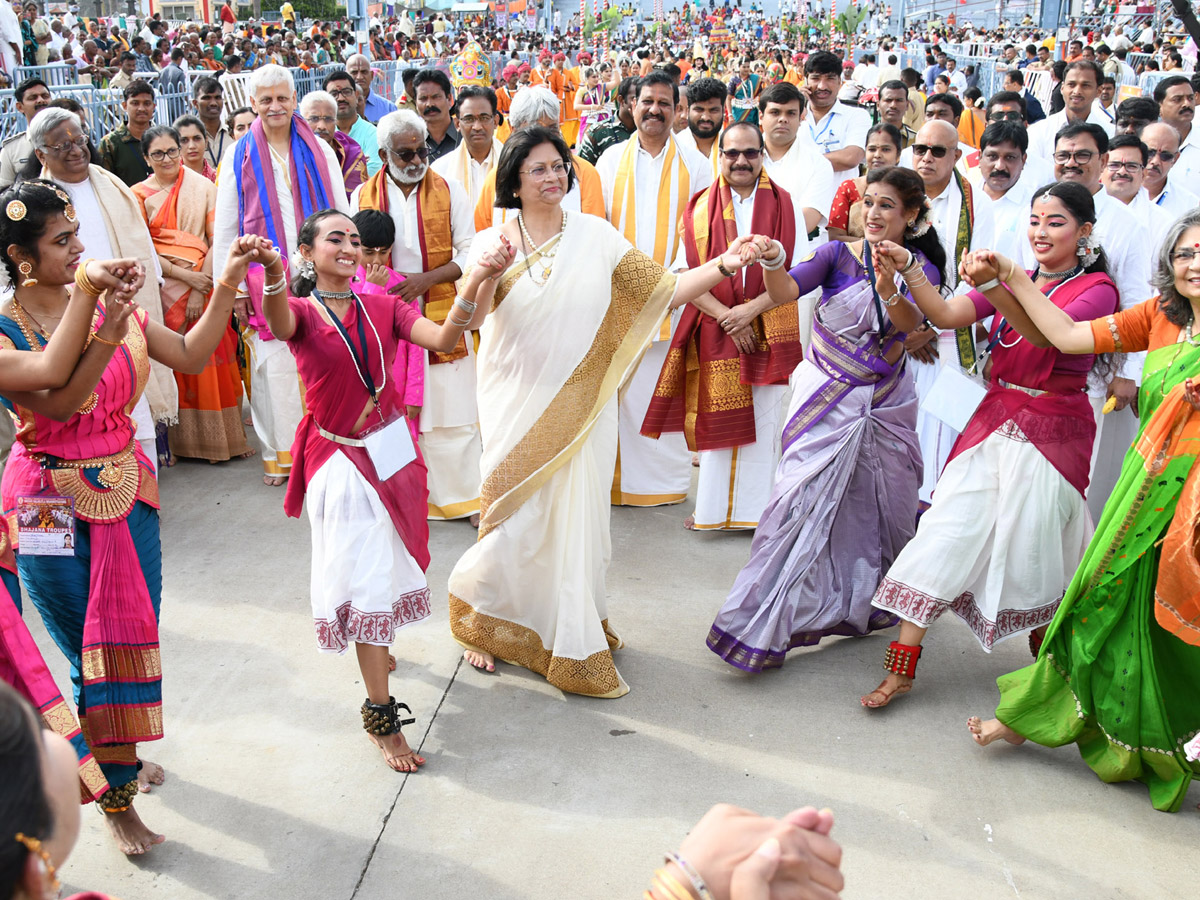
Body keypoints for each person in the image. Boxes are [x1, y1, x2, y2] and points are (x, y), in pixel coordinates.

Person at [450, 126, 768, 696]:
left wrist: (725, 262)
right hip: (513, 399)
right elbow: (468, 324)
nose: (553, 178)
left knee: (576, 521)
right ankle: (486, 617)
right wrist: (484, 271)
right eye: (538, 169)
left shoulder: (595, 235)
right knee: (514, 517)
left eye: (559, 166)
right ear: (514, 183)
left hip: (584, 402)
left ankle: (572, 632)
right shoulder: (490, 241)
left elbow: (663, 290)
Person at [0, 180, 250, 854]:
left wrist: (223, 283)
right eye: (63, 242)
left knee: (132, 641)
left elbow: (192, 357)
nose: (81, 249)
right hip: (47, 501)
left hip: (126, 491)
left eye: (79, 234)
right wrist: (101, 314)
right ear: (24, 260)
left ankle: (121, 758)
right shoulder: (3, 330)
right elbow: (56, 397)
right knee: (91, 656)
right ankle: (114, 797)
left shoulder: (112, 307)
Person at [966, 209, 1200, 814]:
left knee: (1183, 625)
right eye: (1184, 254)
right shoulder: (1160, 317)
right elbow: (1066, 337)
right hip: (1147, 493)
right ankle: (1035, 719)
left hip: (1193, 511)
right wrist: (1015, 276)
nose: (1194, 263)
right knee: (1100, 599)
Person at [863, 182, 1120, 708]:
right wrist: (908, 268)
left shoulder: (1097, 290)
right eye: (1035, 221)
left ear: (1084, 231)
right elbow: (948, 314)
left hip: (1054, 432)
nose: (1040, 231)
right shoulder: (1013, 277)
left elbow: (1048, 335)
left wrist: (1005, 280)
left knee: (1039, 552)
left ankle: (1048, 681)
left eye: (1055, 222)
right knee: (943, 530)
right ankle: (901, 668)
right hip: (996, 417)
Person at [261, 209, 491, 772]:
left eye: (355, 240)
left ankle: (379, 656)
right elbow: (276, 318)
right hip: (338, 463)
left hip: (390, 457)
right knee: (365, 582)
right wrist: (270, 273)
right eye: (334, 238)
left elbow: (441, 337)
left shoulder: (383, 303)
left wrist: (478, 278)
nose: (348, 246)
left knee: (383, 568)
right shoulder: (300, 311)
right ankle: (381, 719)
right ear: (308, 253)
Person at [707, 167, 943, 673]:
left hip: (884, 404)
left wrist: (890, 287)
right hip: (826, 400)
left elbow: (914, 327)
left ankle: (873, 602)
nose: (873, 214)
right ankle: (758, 622)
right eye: (868, 202)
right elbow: (787, 291)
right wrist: (773, 259)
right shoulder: (836, 254)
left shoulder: (920, 267)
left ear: (912, 216)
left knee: (886, 506)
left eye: (886, 206)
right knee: (796, 502)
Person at [641, 122, 804, 532]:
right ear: (720, 157)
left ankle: (755, 513)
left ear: (762, 155)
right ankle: (713, 511)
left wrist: (750, 314)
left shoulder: (786, 203)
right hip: (715, 322)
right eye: (732, 153)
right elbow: (685, 274)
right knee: (718, 419)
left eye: (750, 153)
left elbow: (798, 273)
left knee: (764, 421)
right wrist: (727, 317)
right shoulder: (698, 206)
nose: (741, 161)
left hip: (767, 322)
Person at [213, 64, 350, 486]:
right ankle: (284, 457)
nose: (275, 106)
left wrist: (347, 260)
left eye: (282, 98)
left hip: (320, 272)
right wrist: (233, 287)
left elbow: (341, 211)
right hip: (263, 277)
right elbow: (226, 224)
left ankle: (328, 452)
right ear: (253, 104)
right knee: (275, 371)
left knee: (324, 363)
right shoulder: (239, 153)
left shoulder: (320, 150)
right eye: (266, 99)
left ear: (294, 100)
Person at [351, 110, 478, 523]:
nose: (416, 160)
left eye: (421, 150)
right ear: (385, 154)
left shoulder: (451, 189)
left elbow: (468, 251)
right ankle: (402, 500)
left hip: (439, 308)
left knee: (451, 410)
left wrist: (425, 281)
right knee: (390, 408)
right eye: (404, 153)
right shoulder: (361, 197)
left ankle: (462, 499)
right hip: (382, 314)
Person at [33, 107, 177, 465]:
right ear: (41, 154)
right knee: (81, 406)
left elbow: (140, 239)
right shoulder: (36, 201)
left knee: (135, 409)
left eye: (79, 139)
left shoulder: (110, 183)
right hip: (68, 321)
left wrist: (152, 283)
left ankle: (141, 481)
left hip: (123, 311)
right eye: (61, 145)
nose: (75, 149)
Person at [597, 71, 713, 508]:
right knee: (615, 393)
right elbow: (600, 226)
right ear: (631, 104)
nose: (655, 110)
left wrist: (673, 281)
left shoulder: (697, 165)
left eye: (665, 103)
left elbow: (701, 232)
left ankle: (658, 485)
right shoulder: (610, 161)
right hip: (617, 296)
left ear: (676, 110)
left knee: (659, 390)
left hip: (674, 295)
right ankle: (611, 483)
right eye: (647, 101)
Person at [133, 125, 251, 464]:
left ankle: (221, 444)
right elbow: (144, 249)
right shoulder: (136, 195)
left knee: (210, 357)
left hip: (204, 281)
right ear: (146, 158)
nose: (168, 158)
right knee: (172, 363)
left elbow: (219, 239)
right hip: (164, 288)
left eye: (173, 150)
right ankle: (180, 445)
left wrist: (202, 284)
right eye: (158, 153)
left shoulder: (203, 188)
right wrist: (186, 277)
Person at [906, 118, 997, 508]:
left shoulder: (977, 204)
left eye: (938, 151)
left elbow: (980, 274)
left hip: (948, 335)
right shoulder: (897, 193)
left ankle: (929, 510)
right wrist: (906, 325)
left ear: (957, 156)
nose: (926, 158)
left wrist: (930, 322)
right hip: (899, 332)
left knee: (941, 427)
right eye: (920, 149)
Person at [473, 86, 607, 229]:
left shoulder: (584, 172)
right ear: (514, 130)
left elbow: (595, 234)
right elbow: (484, 236)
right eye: (534, 133)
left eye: (552, 130)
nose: (545, 140)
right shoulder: (498, 177)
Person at [803, 50, 871, 182]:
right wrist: (797, 106)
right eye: (815, 78)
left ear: (840, 81)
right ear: (805, 80)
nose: (822, 86)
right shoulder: (794, 117)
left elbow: (851, 158)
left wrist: (795, 161)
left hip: (839, 202)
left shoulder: (857, 116)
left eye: (830, 78)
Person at [827, 123, 901, 243]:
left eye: (886, 149)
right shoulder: (849, 188)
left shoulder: (906, 189)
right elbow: (835, 237)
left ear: (898, 155)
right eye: (872, 149)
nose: (877, 155)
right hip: (852, 259)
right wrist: (873, 246)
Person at [431, 85, 502, 206]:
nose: (477, 127)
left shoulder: (514, 165)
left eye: (484, 118)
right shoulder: (440, 170)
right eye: (469, 119)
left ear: (495, 121)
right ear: (457, 124)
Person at [301, 89, 369, 199]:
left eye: (328, 119)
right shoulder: (293, 151)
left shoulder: (351, 152)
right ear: (302, 121)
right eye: (314, 119)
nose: (322, 126)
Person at [322, 68, 381, 178]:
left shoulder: (373, 134)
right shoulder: (321, 134)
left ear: (357, 95)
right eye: (334, 93)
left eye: (346, 92)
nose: (340, 98)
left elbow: (372, 176)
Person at [98, 81, 156, 189]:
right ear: (124, 105)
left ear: (153, 106)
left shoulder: (163, 138)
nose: (141, 108)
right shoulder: (110, 143)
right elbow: (103, 184)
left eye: (147, 103)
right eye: (135, 103)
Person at [0, 78, 50, 192]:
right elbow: (4, 192)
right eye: (33, 98)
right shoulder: (11, 149)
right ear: (20, 107)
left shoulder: (69, 138)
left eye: (45, 96)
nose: (41, 100)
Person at [577, 76, 637, 165]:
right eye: (634, 99)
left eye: (645, 100)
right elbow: (582, 171)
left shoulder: (651, 131)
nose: (639, 104)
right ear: (621, 100)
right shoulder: (597, 132)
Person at [1153, 75, 1198, 186]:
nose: (1187, 104)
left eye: (1190, 98)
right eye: (1177, 99)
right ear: (1160, 107)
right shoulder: (1146, 142)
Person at [674, 77, 726, 163]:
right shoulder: (674, 146)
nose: (706, 117)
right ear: (688, 110)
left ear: (723, 111)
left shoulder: (733, 147)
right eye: (699, 110)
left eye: (713, 110)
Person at [347, 53, 397, 124]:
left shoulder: (388, 108)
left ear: (372, 75)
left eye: (364, 72)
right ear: (346, 76)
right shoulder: (338, 108)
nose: (359, 77)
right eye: (354, 72)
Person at [172, 114, 217, 182]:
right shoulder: (169, 179)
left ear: (206, 141)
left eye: (197, 139)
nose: (192, 146)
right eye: (184, 140)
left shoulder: (218, 179)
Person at [574, 67, 610, 140]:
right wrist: (592, 107)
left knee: (603, 140)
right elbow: (576, 106)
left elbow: (616, 82)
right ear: (587, 78)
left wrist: (614, 68)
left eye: (597, 76)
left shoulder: (602, 87)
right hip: (587, 118)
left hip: (601, 117)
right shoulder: (582, 90)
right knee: (587, 140)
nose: (596, 79)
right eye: (593, 77)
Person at [728, 57, 762, 125]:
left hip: (752, 112)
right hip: (738, 112)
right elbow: (728, 98)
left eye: (748, 67)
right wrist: (730, 115)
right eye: (744, 67)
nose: (746, 69)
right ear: (739, 67)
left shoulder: (755, 79)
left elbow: (761, 94)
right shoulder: (734, 80)